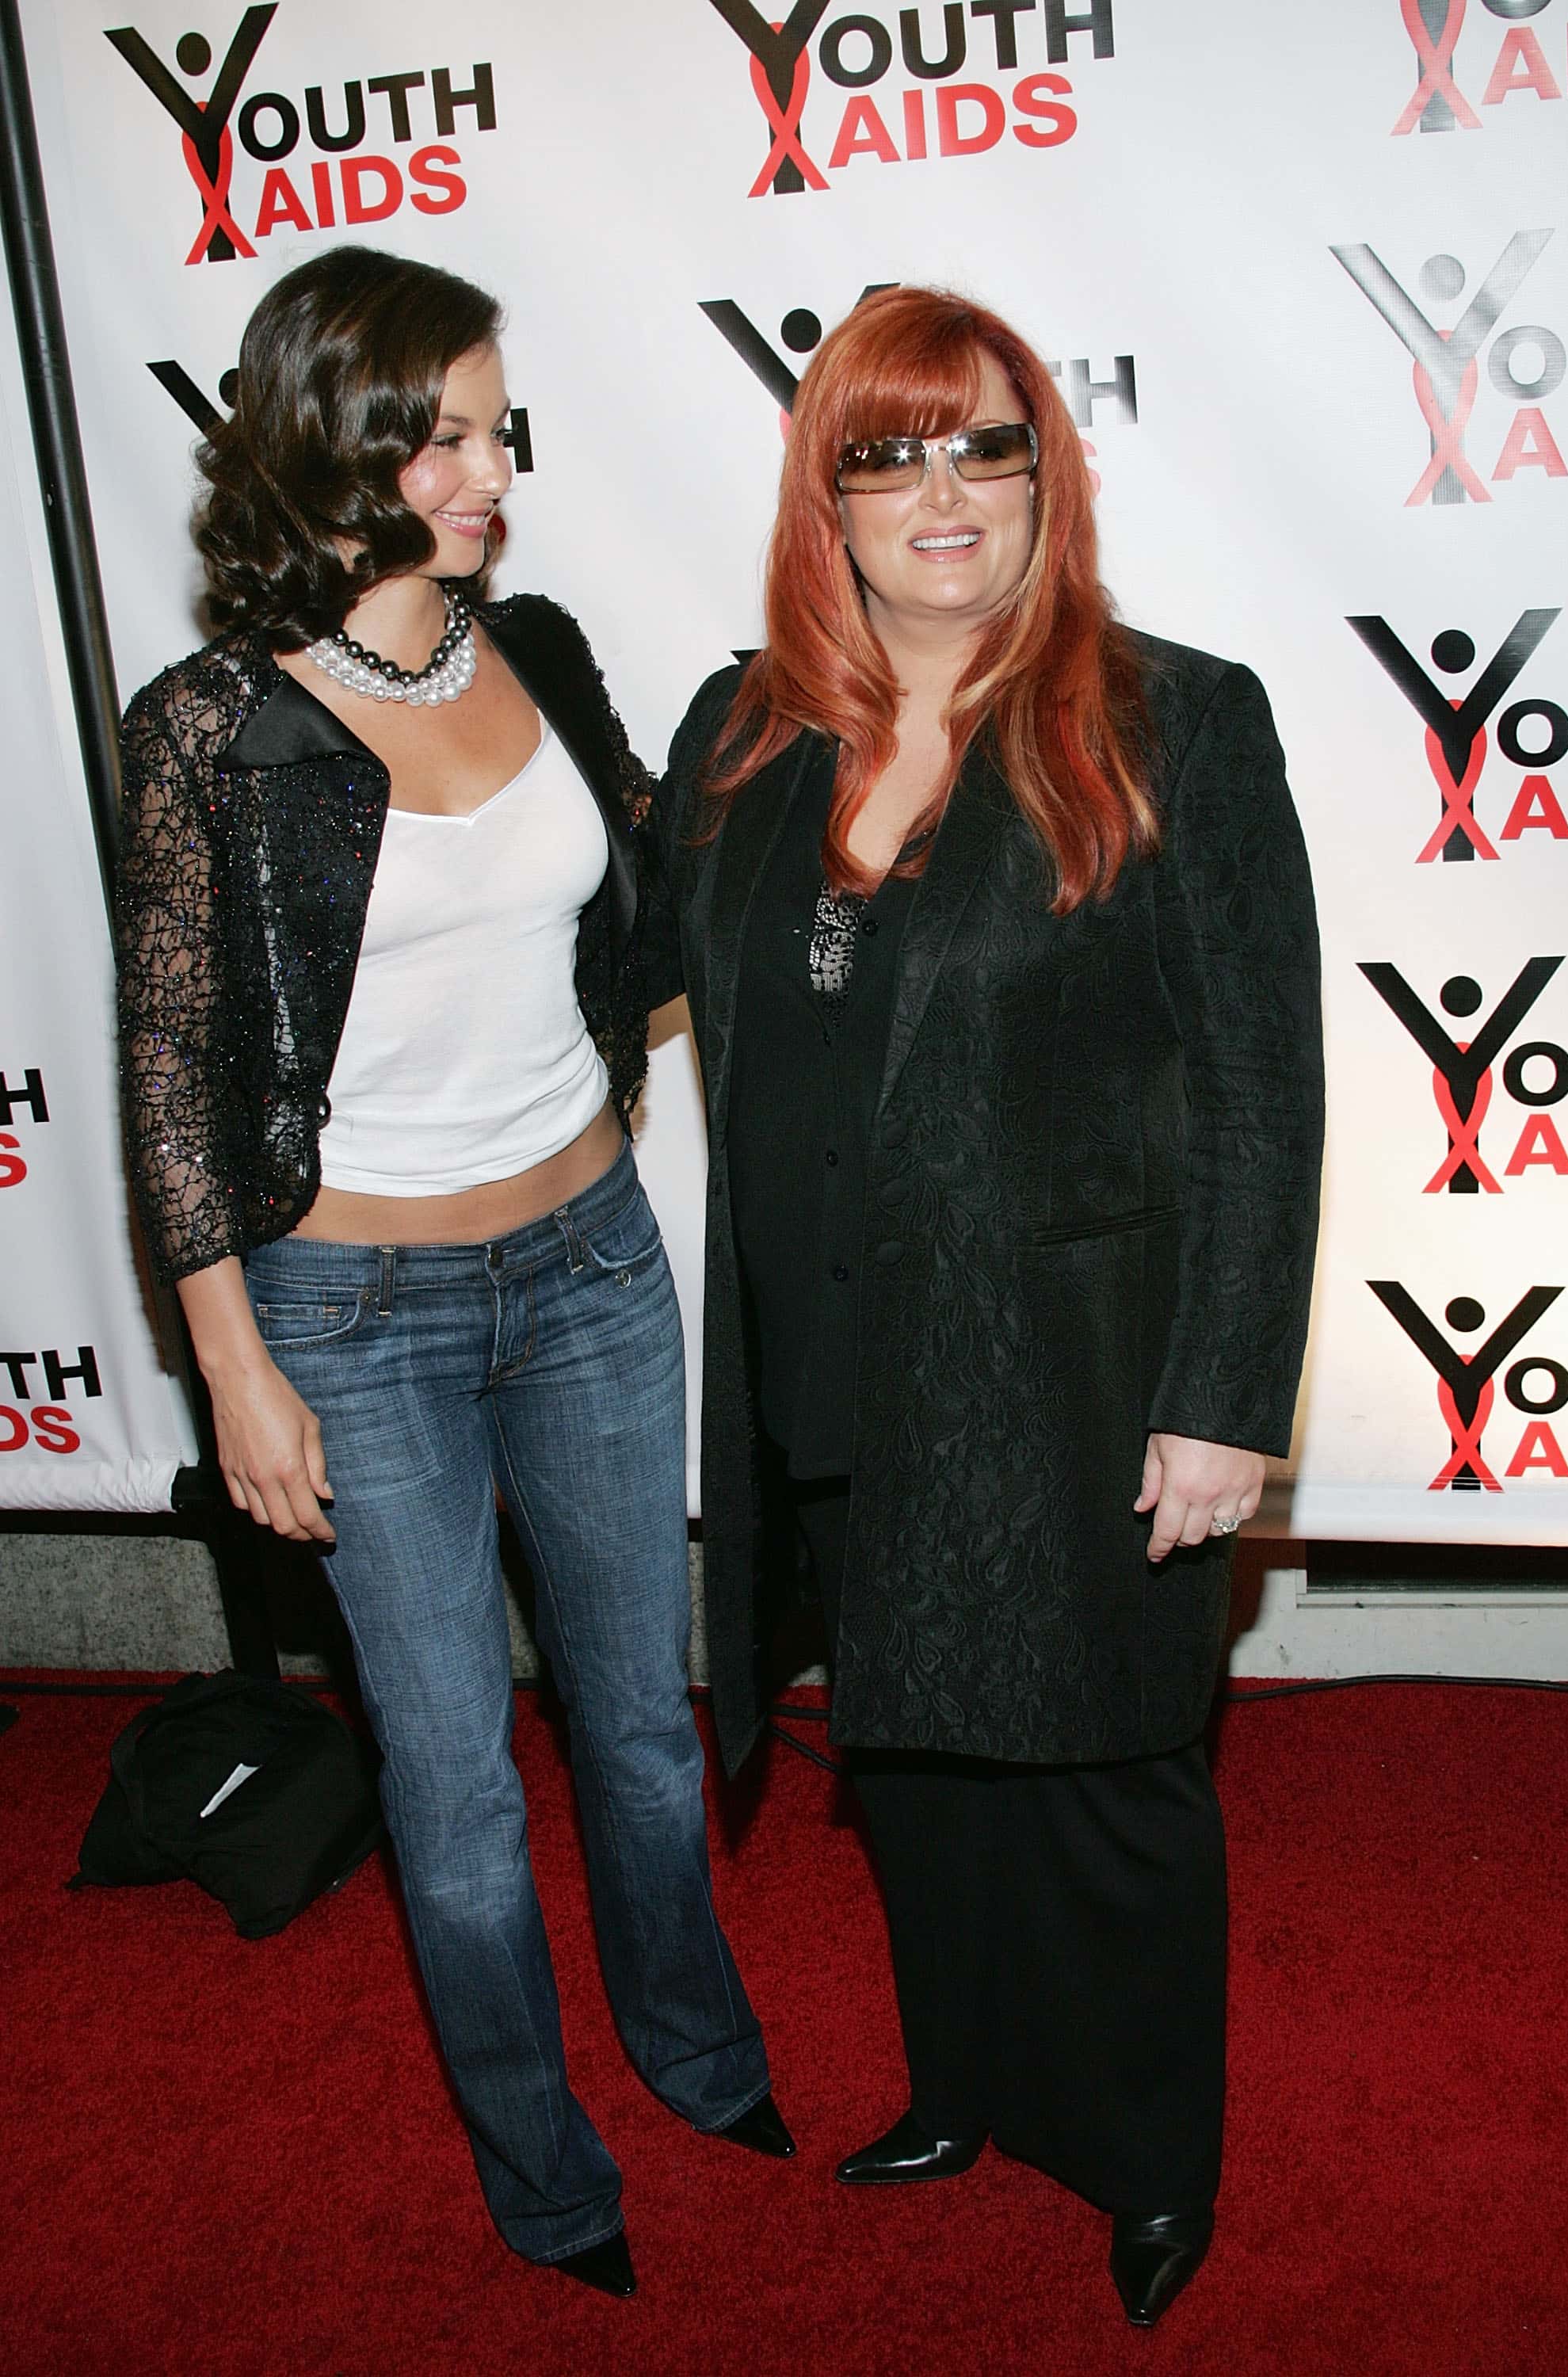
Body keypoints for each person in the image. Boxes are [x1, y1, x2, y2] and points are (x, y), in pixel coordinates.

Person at [115, 246, 792, 2303]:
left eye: (499, 428)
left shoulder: (547, 650)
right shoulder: (210, 732)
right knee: (455, 1788)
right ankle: (539, 2169)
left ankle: (691, 2050)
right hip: (354, 1319)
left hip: (586, 1260)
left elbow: (653, 905)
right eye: (450, 432)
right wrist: (235, 1369)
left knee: (644, 1732)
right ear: (337, 439)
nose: (492, 468)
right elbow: (172, 1078)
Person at [647, 285, 1322, 2329]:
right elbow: (624, 979)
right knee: (916, 1764)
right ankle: (964, 2084)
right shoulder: (738, 730)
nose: (941, 491)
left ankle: (1143, 2156)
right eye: (888, 452)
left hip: (1081, 1371)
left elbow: (1263, 1089)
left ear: (1045, 476)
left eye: (984, 446)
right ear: (825, 498)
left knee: (1107, 1772)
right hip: (835, 1357)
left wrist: (1225, 1392)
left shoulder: (1175, 717)